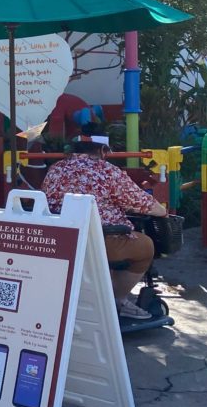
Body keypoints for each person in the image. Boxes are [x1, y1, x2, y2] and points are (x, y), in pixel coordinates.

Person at [40, 124, 166, 321]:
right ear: (102, 149)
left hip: (61, 241)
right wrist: (162, 210)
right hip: (99, 240)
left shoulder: (55, 170)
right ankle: (117, 301)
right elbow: (145, 205)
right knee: (145, 247)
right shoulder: (107, 171)